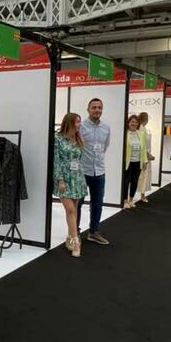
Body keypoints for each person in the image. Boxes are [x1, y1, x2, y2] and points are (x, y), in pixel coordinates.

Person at [53, 112, 88, 256]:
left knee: (74, 210)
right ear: (69, 123)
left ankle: (69, 237)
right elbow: (57, 161)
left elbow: (78, 160)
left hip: (77, 178)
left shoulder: (78, 138)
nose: (80, 124)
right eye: (77, 122)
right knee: (70, 209)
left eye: (80, 121)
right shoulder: (58, 138)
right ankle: (76, 242)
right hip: (64, 178)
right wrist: (60, 179)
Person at [79, 98, 111, 245]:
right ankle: (75, 233)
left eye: (99, 107)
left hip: (99, 171)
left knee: (97, 203)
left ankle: (93, 232)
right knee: (78, 202)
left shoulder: (106, 128)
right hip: (82, 171)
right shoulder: (81, 127)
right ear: (88, 110)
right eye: (94, 107)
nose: (97, 110)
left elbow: (105, 146)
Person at [122, 114, 148, 210]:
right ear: (128, 123)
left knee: (135, 181)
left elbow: (144, 148)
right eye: (132, 122)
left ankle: (131, 199)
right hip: (128, 162)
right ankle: (124, 201)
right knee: (126, 182)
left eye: (136, 122)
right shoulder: (125, 134)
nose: (134, 124)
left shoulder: (141, 134)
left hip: (138, 162)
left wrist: (145, 161)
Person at [135, 111, 155, 204]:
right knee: (142, 175)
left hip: (146, 155)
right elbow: (141, 144)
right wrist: (147, 155)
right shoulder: (141, 129)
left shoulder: (143, 128)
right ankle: (141, 195)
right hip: (143, 156)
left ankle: (142, 194)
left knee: (144, 175)